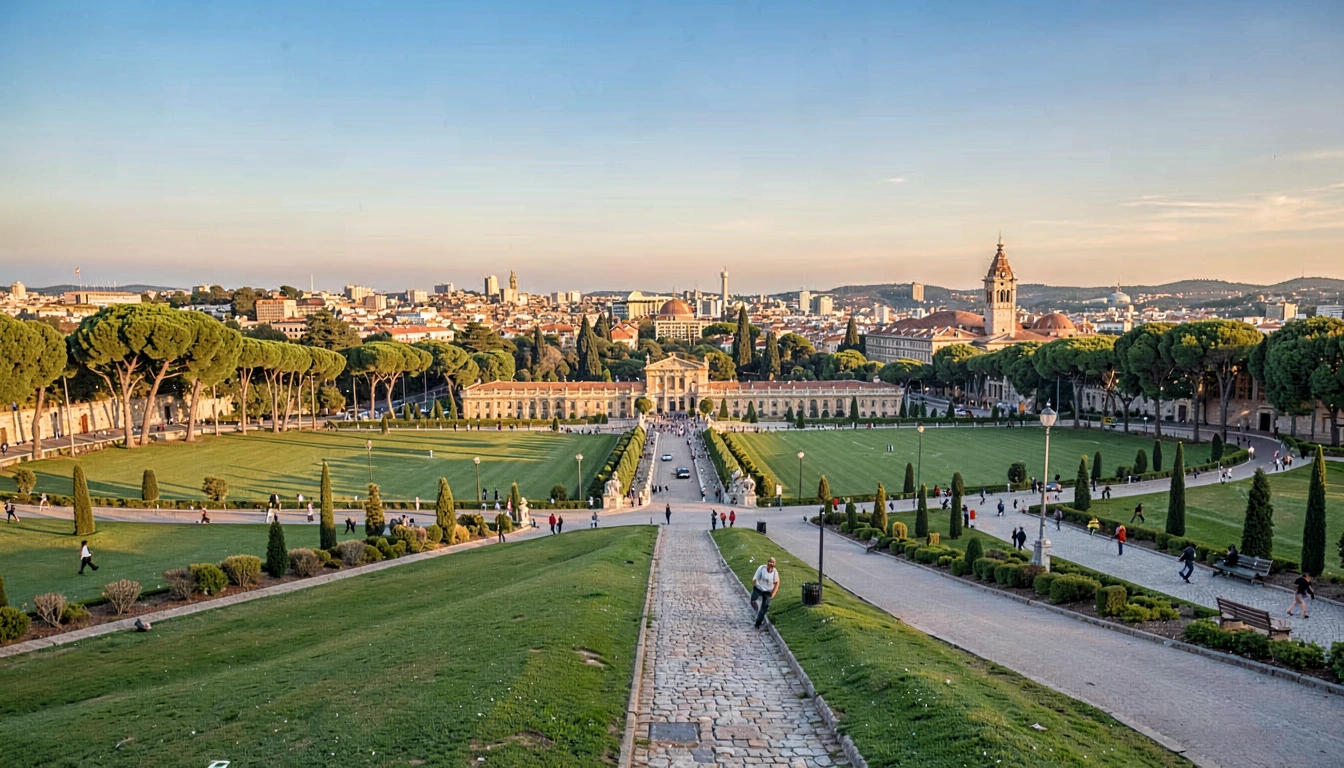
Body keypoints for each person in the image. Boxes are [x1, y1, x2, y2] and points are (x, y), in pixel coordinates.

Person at [749, 557, 781, 630]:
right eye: (769, 564)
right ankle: (757, 611)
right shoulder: (761, 568)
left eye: (772, 565)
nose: (770, 567)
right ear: (767, 563)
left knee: (764, 607)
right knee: (753, 601)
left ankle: (758, 623)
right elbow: (755, 579)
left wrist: (772, 594)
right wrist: (756, 584)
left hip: (768, 591)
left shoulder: (775, 572)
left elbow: (776, 583)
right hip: (758, 588)